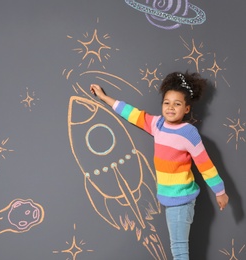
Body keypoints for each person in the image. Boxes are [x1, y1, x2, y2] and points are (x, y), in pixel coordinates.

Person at [90, 71, 229, 260]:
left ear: (187, 109)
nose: (171, 107)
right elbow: (132, 114)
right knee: (178, 247)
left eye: (177, 104)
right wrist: (104, 97)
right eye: (167, 103)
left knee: (179, 249)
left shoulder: (189, 133)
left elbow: (205, 164)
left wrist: (219, 191)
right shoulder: (158, 125)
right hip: (169, 199)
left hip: (181, 200)